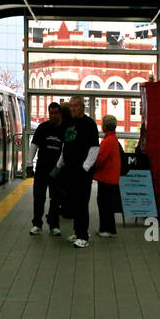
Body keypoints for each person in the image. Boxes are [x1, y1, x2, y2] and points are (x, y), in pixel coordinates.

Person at [53, 95, 99, 247]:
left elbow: (94, 148)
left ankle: (83, 237)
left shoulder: (89, 124)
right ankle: (77, 231)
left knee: (81, 203)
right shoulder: (70, 123)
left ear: (82, 107)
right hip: (69, 169)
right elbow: (66, 146)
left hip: (82, 172)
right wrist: (60, 164)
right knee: (73, 202)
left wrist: (85, 168)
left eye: (75, 106)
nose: (72, 108)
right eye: (71, 106)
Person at [27, 101, 67, 236]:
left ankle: (54, 225)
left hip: (57, 170)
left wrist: (58, 167)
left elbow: (65, 150)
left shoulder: (65, 129)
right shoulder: (42, 128)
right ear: (49, 113)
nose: (53, 116)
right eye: (51, 113)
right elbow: (34, 146)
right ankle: (37, 224)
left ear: (60, 113)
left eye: (56, 113)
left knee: (55, 199)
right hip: (41, 169)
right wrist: (29, 164)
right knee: (38, 197)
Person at [93, 114, 123, 237]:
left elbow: (100, 158)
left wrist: (92, 167)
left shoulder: (107, 141)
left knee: (104, 203)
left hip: (106, 177)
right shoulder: (114, 139)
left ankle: (107, 229)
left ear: (104, 126)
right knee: (108, 204)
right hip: (112, 177)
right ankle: (108, 228)